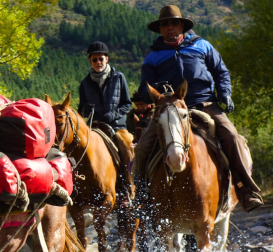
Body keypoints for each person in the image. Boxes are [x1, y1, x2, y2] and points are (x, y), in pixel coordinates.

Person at [135, 5, 263, 212]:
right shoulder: (152, 58)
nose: (170, 27)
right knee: (141, 148)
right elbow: (143, 90)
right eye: (165, 24)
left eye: (174, 22)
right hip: (170, 109)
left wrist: (225, 92)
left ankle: (246, 190)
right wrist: (155, 90)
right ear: (159, 29)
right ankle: (142, 198)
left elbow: (221, 71)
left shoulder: (202, 46)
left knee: (232, 137)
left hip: (205, 103)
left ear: (182, 25)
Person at [78, 41, 135, 205]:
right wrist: (86, 112)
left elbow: (127, 104)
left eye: (101, 59)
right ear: (90, 61)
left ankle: (129, 189)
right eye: (94, 60)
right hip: (95, 126)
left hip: (117, 127)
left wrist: (114, 115)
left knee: (127, 151)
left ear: (107, 59)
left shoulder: (119, 77)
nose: (98, 63)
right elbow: (82, 108)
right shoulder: (85, 83)